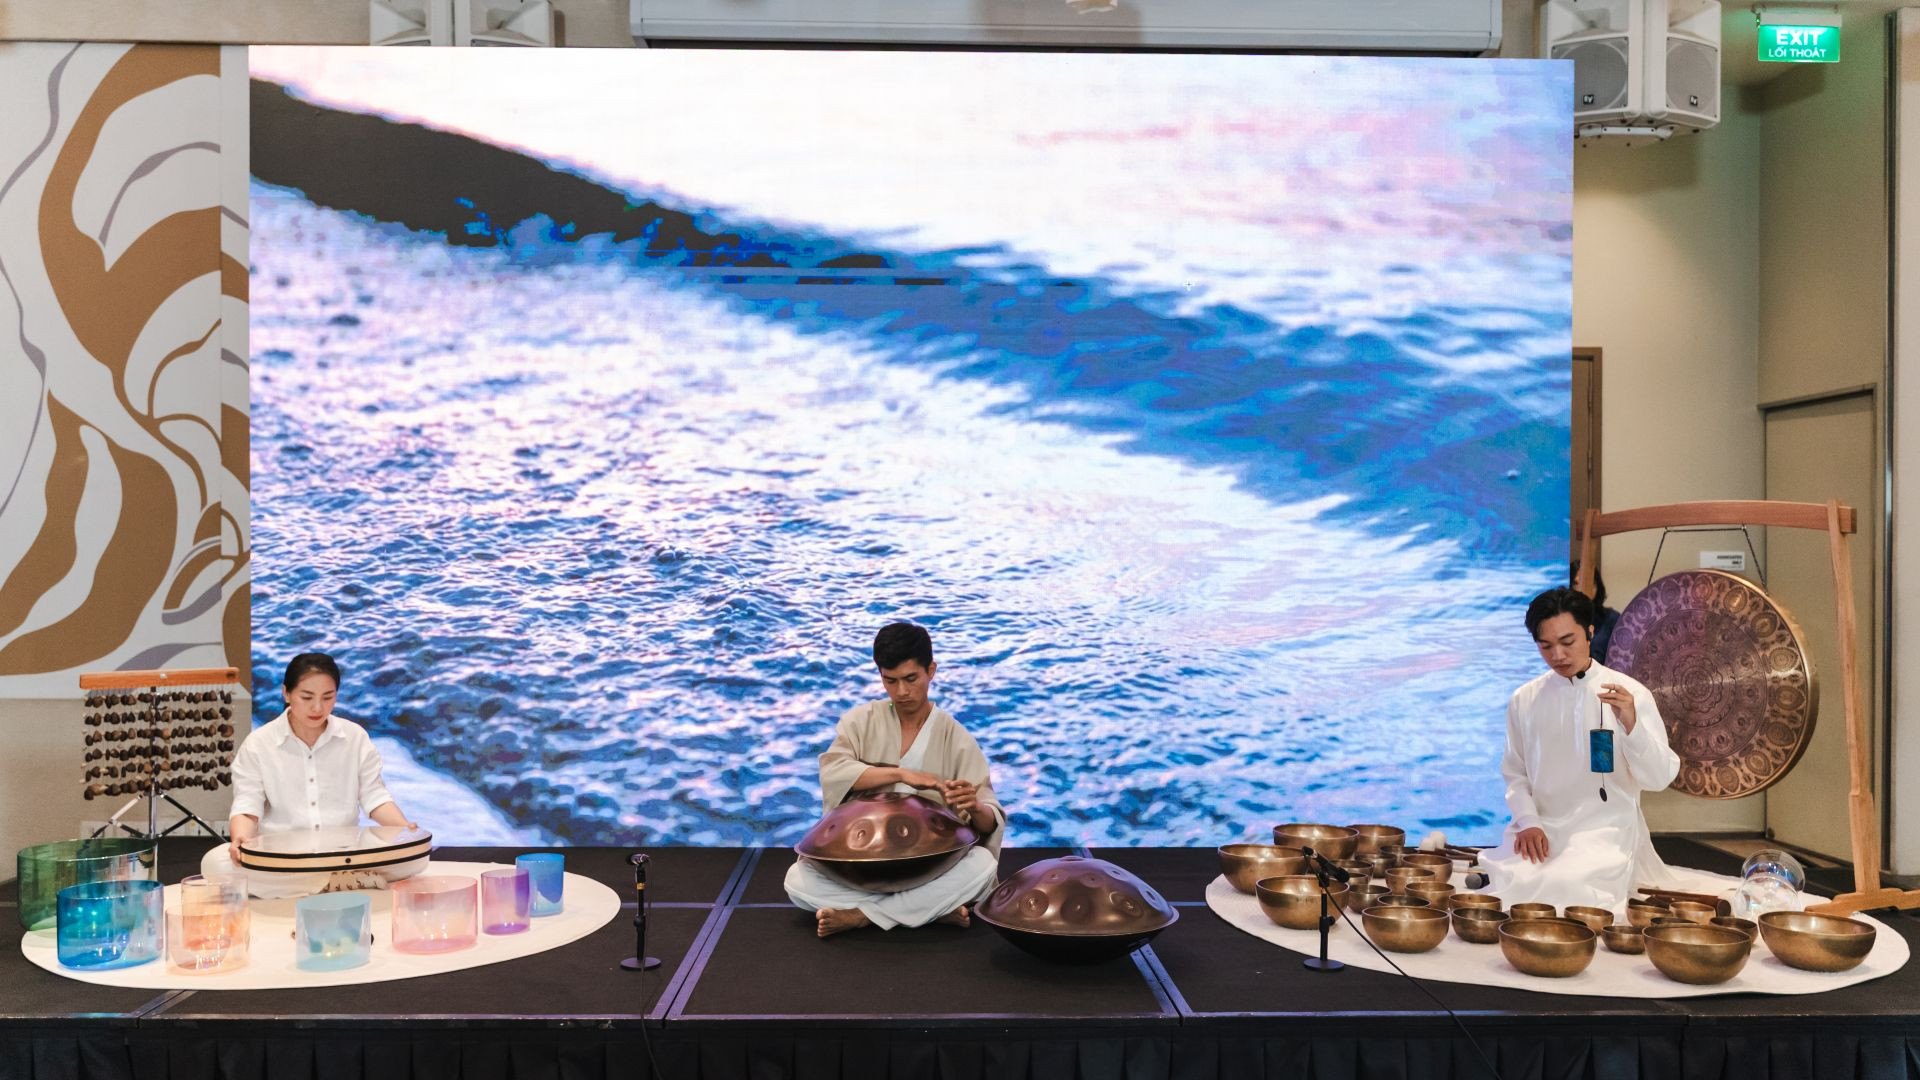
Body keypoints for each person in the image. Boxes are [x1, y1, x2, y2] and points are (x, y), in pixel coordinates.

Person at [785, 622, 1003, 937]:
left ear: (931, 670)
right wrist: (901, 774)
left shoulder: (955, 737)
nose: (901, 691)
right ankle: (927, 911)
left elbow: (988, 820)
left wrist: (976, 807)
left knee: (982, 865)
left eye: (911, 679)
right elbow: (833, 770)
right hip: (863, 866)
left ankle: (862, 916)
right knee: (796, 879)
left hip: (928, 867)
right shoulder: (860, 721)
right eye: (891, 680)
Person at [1477, 587, 1683, 912]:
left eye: (1567, 642)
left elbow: (1658, 778)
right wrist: (1528, 821)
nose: (1557, 655)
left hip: (1603, 829)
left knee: (1565, 884)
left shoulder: (1631, 694)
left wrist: (1631, 724)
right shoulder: (1525, 699)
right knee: (1509, 881)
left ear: (1590, 632)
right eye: (1546, 646)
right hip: (1543, 827)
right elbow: (1514, 774)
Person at [201, 653, 426, 899]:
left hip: (345, 853)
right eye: (306, 697)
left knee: (416, 859)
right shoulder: (258, 744)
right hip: (285, 858)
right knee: (215, 863)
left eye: (327, 697)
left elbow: (375, 797)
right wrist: (241, 839)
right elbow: (247, 805)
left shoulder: (355, 737)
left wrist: (405, 831)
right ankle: (339, 883)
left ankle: (313, 885)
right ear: (286, 693)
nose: (318, 708)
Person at [1570, 560, 1623, 664]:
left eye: (1590, 582)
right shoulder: (1562, 620)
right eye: (1577, 583)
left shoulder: (1612, 618)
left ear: (1597, 584)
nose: (1584, 588)